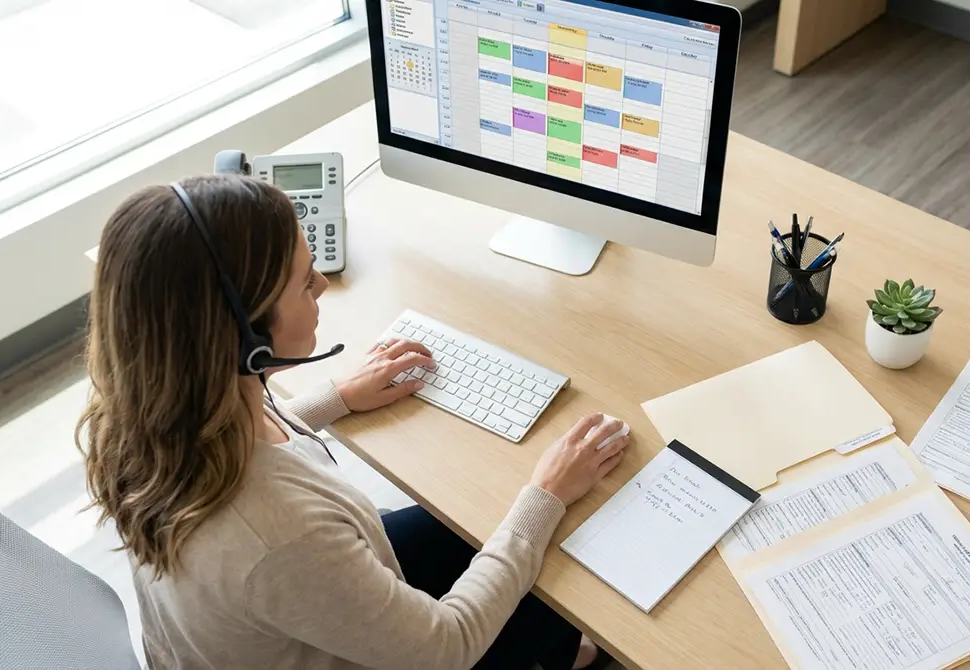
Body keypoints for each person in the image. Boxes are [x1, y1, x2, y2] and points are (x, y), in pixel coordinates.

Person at [76, 174, 631, 670]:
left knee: (474, 527)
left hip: (269, 623)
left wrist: (337, 397)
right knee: (545, 567)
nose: (320, 285)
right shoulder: (278, 534)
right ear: (241, 337)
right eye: (302, 281)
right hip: (402, 644)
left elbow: (253, 451)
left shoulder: (153, 411)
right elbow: (448, 646)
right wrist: (546, 494)